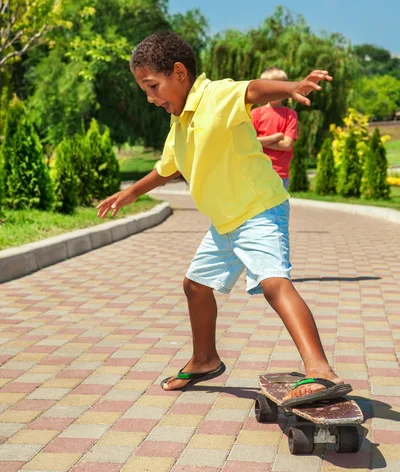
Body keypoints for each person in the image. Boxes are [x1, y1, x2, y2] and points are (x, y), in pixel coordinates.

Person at [97, 31, 352, 406]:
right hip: (225, 222)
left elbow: (252, 91)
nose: (151, 98)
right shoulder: (179, 122)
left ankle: (321, 369)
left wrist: (292, 86)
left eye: (153, 86)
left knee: (272, 282)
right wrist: (132, 191)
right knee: (196, 285)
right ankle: (205, 360)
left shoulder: (215, 95)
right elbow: (167, 168)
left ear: (180, 72)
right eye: (145, 91)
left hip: (258, 209)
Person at [251, 68, 298, 190]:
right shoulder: (255, 114)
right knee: (257, 208)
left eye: (277, 88)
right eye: (269, 88)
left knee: (279, 208)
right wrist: (275, 137)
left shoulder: (290, 115)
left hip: (280, 174)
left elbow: (287, 144)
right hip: (257, 171)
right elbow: (249, 143)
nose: (273, 92)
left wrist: (261, 142)